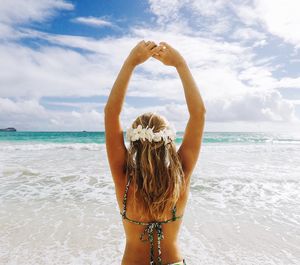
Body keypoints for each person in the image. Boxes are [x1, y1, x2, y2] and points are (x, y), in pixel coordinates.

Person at [104, 40, 206, 265]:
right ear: (168, 141)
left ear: (134, 142)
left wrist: (131, 62)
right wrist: (180, 64)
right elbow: (198, 114)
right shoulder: (180, 176)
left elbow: (111, 113)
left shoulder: (124, 179)